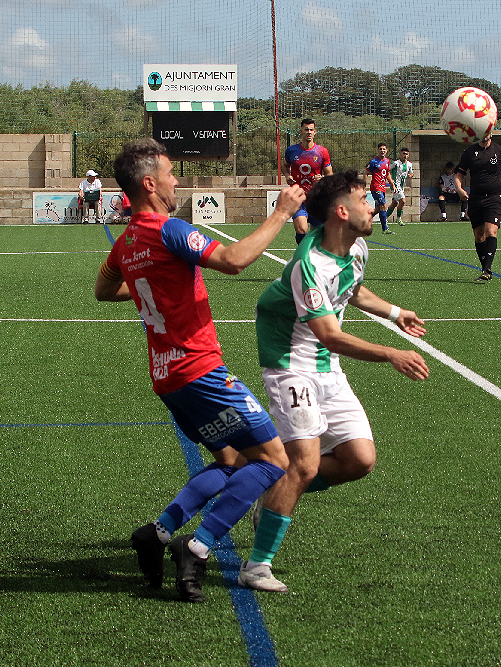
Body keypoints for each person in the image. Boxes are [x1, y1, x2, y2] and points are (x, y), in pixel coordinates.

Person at [94, 138, 305, 603]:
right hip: (201, 370)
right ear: (150, 184)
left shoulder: (126, 242)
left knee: (231, 461)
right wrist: (281, 212)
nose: (176, 181)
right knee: (274, 461)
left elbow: (103, 291)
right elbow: (233, 261)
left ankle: (157, 532)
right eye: (170, 174)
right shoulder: (169, 229)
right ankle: (198, 546)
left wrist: (156, 286)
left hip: (167, 377)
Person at [242, 170, 430, 592]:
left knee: (359, 459)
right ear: (341, 212)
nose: (373, 206)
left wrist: (396, 313)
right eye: (364, 200)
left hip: (328, 367)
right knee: (305, 464)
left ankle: (273, 494)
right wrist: (391, 352)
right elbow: (329, 334)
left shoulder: (357, 247)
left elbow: (353, 290)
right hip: (291, 365)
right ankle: (256, 566)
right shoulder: (308, 265)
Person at [454, 129, 501, 282]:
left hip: (495, 198)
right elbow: (458, 175)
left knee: (491, 231)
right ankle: (485, 268)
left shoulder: (500, 151)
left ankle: (487, 269)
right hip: (476, 199)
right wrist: (459, 189)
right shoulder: (469, 152)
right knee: (479, 236)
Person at [285, 118, 333, 243]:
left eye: (311, 130)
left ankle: (312, 252)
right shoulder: (291, 150)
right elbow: (285, 166)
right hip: (298, 197)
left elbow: (330, 175)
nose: (309, 132)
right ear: (301, 131)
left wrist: (322, 178)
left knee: (319, 235)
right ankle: (303, 252)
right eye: (306, 129)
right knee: (301, 229)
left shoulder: (322, 151)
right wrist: (287, 175)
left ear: (315, 132)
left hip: (316, 199)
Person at [366, 143, 394, 234]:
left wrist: (392, 184)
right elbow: (366, 173)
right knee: (383, 205)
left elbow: (387, 174)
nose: (382, 150)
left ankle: (366, 219)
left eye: (384, 149)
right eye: (381, 149)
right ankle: (385, 229)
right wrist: (363, 185)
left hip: (382, 187)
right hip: (376, 187)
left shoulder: (387, 161)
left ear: (387, 150)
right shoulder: (373, 162)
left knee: (378, 208)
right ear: (378, 150)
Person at [386, 147, 413, 225]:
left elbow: (411, 173)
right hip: (395, 185)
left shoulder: (409, 164)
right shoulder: (396, 163)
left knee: (394, 203)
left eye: (406, 154)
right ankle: (398, 218)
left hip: (402, 186)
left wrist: (410, 175)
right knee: (403, 200)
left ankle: (384, 218)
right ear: (400, 154)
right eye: (403, 153)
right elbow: (387, 170)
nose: (405, 155)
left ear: (408, 155)